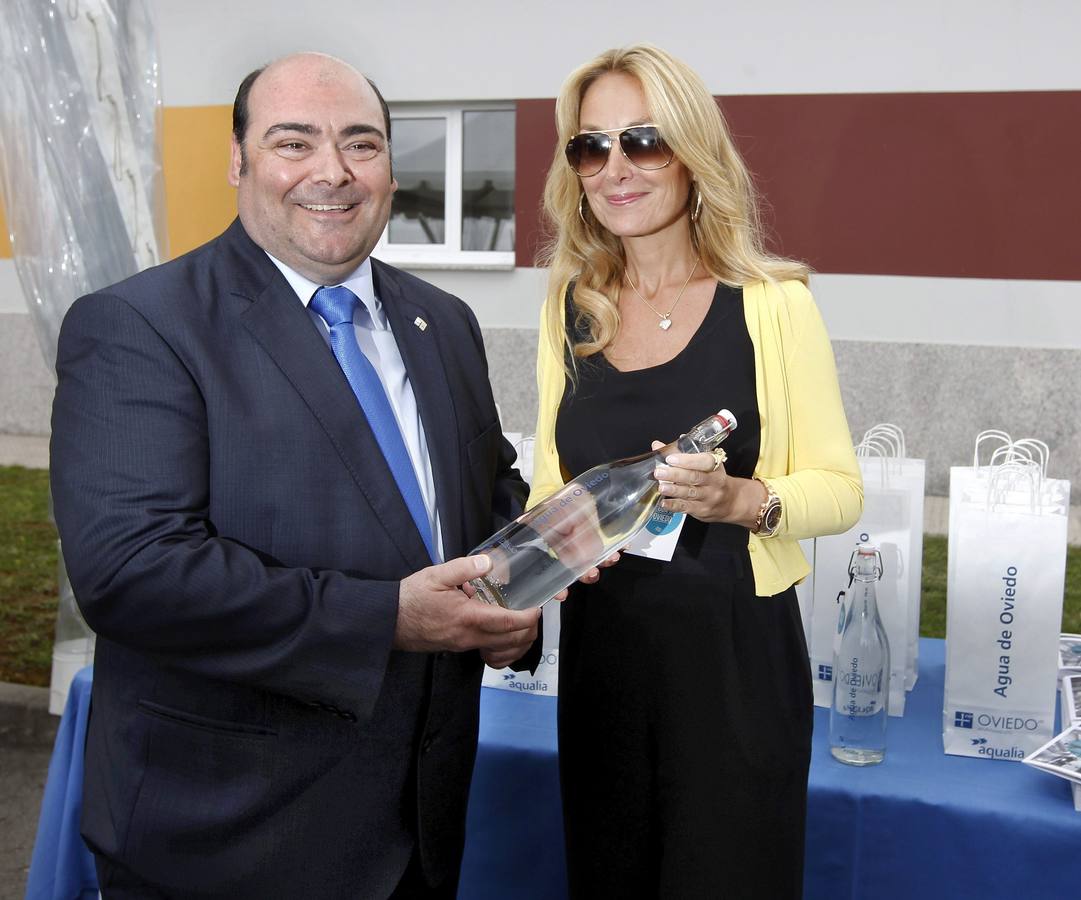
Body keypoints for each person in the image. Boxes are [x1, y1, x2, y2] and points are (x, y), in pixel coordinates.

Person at [49, 52, 543, 899]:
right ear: (238, 162)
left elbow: (486, 493)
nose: (333, 172)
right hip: (228, 839)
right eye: (293, 142)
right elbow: (133, 573)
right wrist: (386, 618)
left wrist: (528, 582)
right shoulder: (139, 326)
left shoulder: (443, 324)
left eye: (362, 143)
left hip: (419, 827)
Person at [529, 44, 864, 898]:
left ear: (690, 153)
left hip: (733, 667)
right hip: (605, 660)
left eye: (641, 141)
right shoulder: (573, 307)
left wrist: (738, 498)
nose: (614, 169)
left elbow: (838, 488)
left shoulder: (773, 303)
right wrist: (525, 568)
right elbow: (547, 485)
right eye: (589, 146)